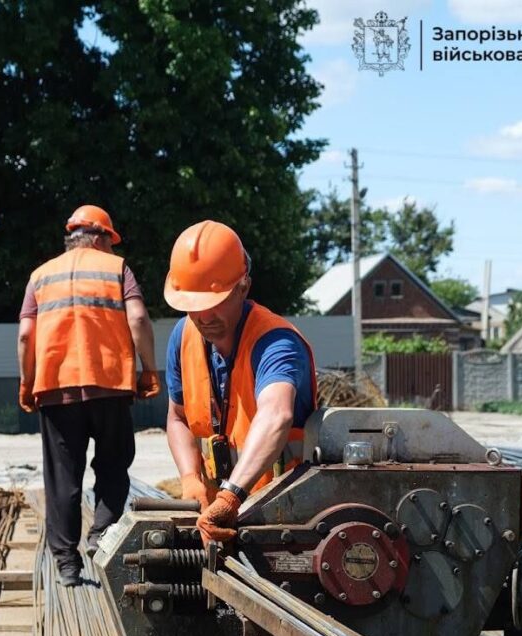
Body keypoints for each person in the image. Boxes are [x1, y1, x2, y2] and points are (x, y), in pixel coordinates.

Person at [17, 205, 159, 586]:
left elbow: (26, 335)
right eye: (111, 241)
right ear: (99, 237)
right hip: (110, 386)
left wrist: (27, 382)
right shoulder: (117, 269)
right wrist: (149, 369)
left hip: (55, 389)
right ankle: (102, 535)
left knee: (63, 478)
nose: (113, 249)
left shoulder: (40, 276)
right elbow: (138, 318)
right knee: (113, 465)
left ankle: (67, 564)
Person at [162, 220, 317, 546]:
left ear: (243, 287)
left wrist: (231, 496)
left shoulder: (275, 342)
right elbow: (178, 418)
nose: (203, 317)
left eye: (213, 302)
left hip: (284, 518)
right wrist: (190, 478)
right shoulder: (183, 336)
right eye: (193, 306)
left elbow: (276, 414)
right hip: (220, 516)